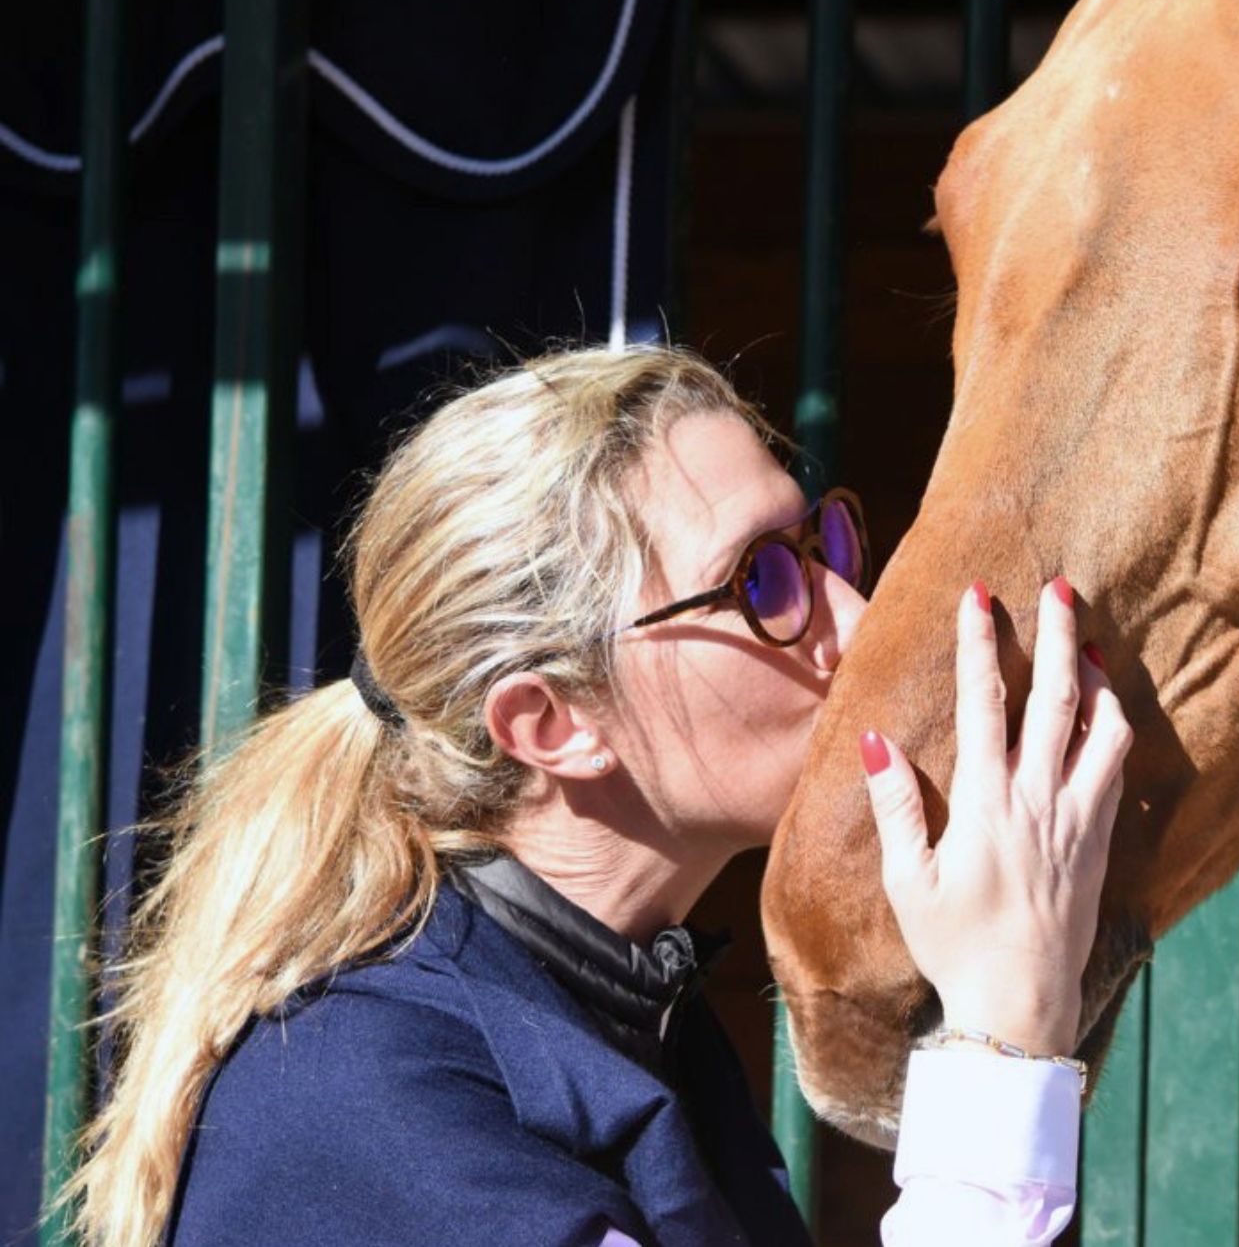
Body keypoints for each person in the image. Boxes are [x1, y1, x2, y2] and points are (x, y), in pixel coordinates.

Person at [64, 345, 1130, 1247]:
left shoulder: (616, 1010)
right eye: (764, 581)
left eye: (823, 546)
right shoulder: (369, 1101)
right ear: (551, 724)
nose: (851, 620)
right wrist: (1001, 1036)